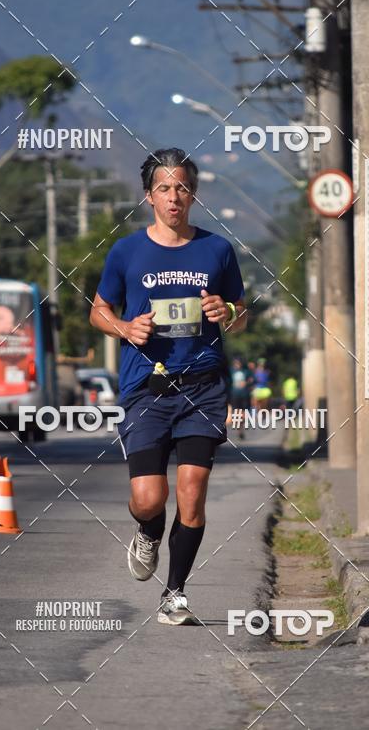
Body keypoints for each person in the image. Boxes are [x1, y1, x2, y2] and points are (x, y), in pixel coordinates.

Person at [90, 148, 247, 625]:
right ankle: (148, 531)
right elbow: (98, 310)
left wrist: (229, 313)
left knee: (193, 491)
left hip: (202, 387)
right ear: (149, 197)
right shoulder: (127, 252)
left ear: (193, 194)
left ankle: (174, 592)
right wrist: (124, 329)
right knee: (148, 499)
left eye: (182, 187)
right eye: (164, 188)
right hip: (146, 389)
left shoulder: (217, 250)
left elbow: (240, 310)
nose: (174, 196)